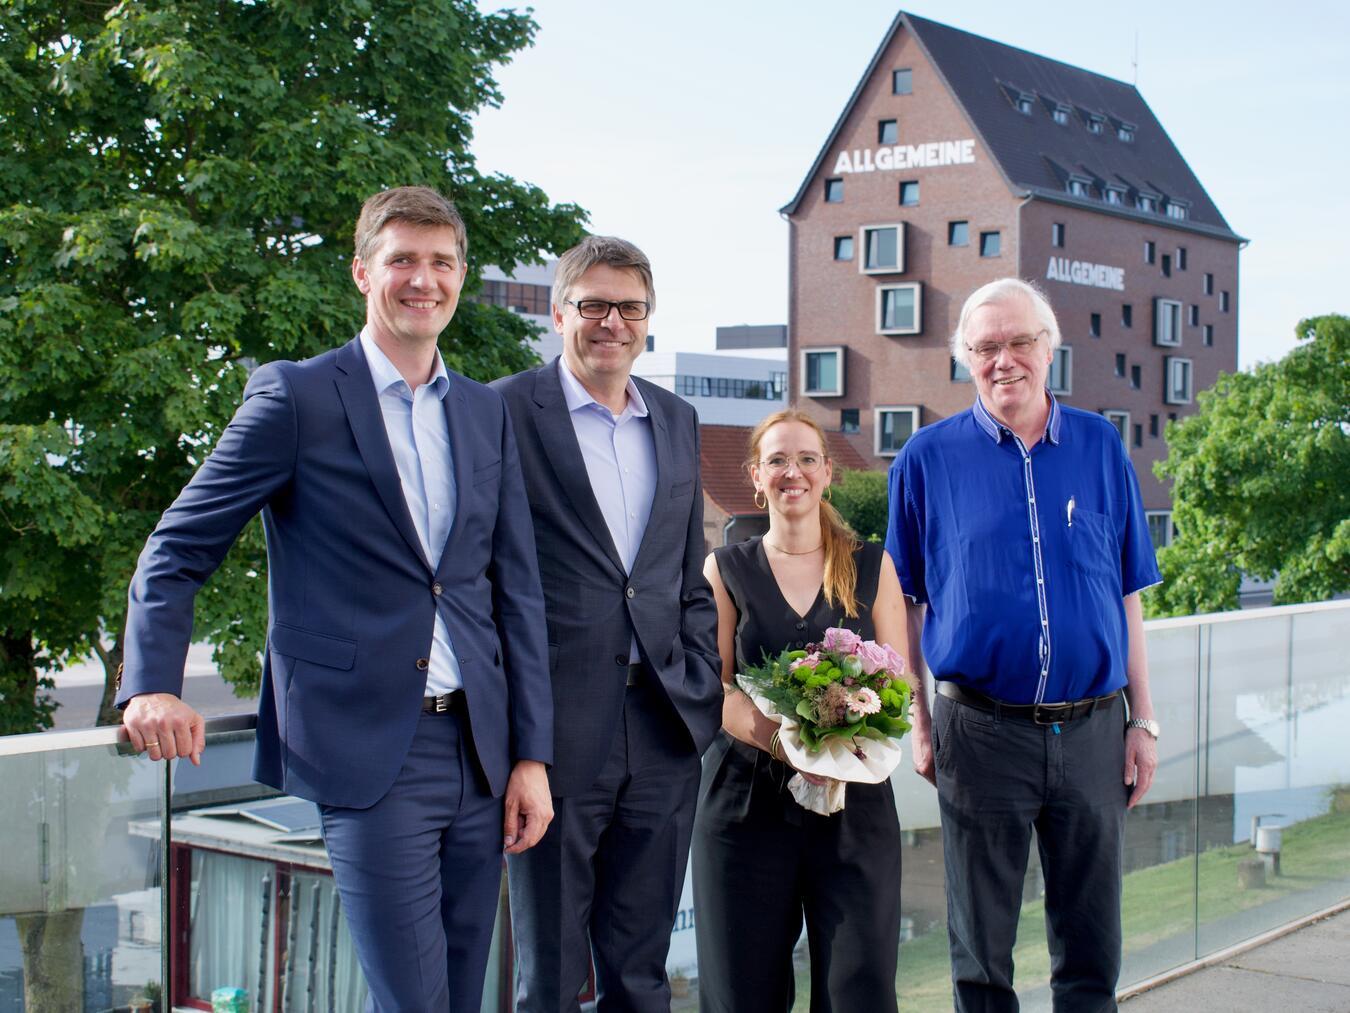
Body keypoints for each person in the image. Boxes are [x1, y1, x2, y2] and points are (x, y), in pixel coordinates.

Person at [117, 186, 554, 1011]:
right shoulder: (297, 398)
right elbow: (178, 546)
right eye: (402, 260)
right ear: (362, 272)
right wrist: (150, 682)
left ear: (461, 277)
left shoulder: (484, 410)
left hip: (482, 752)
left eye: (441, 262)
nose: (422, 279)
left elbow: (514, 592)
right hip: (367, 756)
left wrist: (531, 755)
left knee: (467, 994)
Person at [886, 277, 1162, 1011]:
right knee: (981, 951)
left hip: (1097, 729)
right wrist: (918, 722)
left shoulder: (1103, 447)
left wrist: (1143, 720)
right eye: (985, 347)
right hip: (977, 732)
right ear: (965, 360)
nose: (1003, 359)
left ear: (1050, 349)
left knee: (1091, 943)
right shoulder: (924, 459)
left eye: (1019, 343)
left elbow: (1126, 593)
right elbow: (904, 607)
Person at [491, 236, 723, 1012]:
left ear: (648, 320)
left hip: (663, 726)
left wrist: (699, 687)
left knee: (642, 970)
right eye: (593, 305)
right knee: (549, 974)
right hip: (553, 734)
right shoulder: (501, 410)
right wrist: (517, 734)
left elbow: (686, 575)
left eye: (629, 307)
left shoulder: (678, 418)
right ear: (561, 313)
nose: (611, 322)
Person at [690, 409, 912, 1013]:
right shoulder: (726, 567)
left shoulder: (871, 565)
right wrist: (788, 745)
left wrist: (841, 743)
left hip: (854, 806)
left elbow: (900, 682)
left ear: (828, 474)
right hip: (745, 807)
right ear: (756, 477)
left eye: (807, 459)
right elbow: (713, 686)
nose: (794, 472)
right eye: (778, 460)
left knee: (858, 994)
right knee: (742, 996)